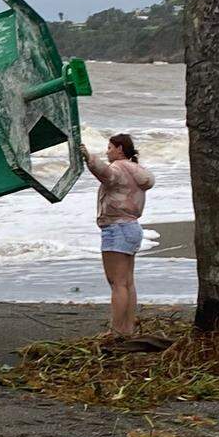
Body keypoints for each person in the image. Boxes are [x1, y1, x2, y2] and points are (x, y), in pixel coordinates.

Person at [80, 134, 155, 336]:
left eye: (110, 147)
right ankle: (127, 328)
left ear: (120, 149)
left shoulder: (119, 168)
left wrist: (88, 156)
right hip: (132, 227)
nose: (107, 151)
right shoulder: (137, 170)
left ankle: (117, 331)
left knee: (117, 283)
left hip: (116, 228)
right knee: (128, 282)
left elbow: (104, 173)